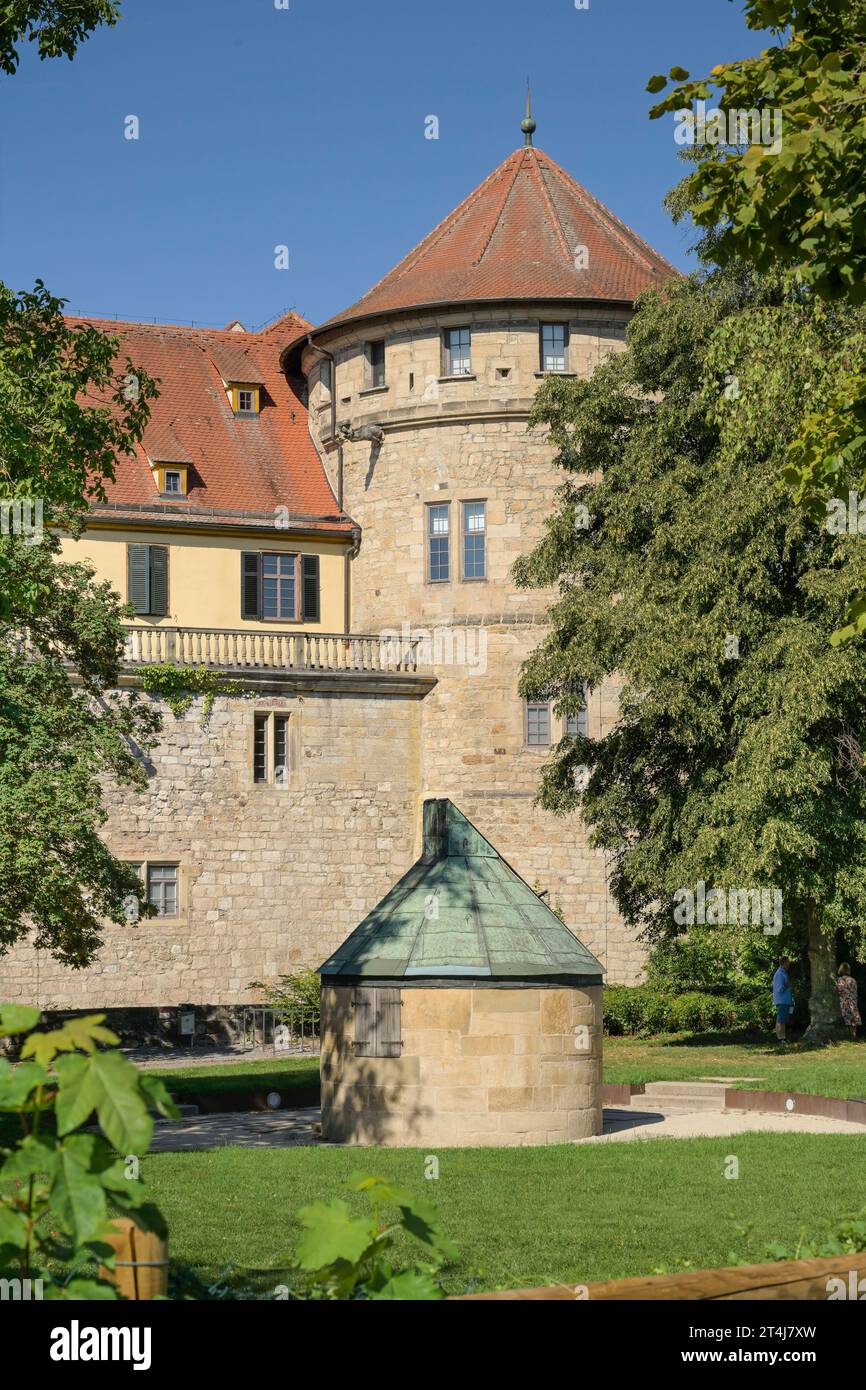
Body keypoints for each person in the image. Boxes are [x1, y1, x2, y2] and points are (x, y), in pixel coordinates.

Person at [836, 963, 861, 1040]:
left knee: (846, 1019)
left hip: (845, 1002)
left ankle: (849, 1037)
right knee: (853, 1020)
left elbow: (839, 991)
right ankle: (853, 1036)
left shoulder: (841, 980)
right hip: (853, 1001)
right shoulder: (853, 980)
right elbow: (855, 992)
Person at [772, 956, 793, 1043]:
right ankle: (780, 1038)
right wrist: (787, 985)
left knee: (783, 1020)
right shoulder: (779, 974)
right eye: (788, 962)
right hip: (781, 1000)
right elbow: (779, 989)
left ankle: (783, 1037)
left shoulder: (784, 972)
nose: (789, 964)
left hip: (786, 1000)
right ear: (783, 963)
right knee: (780, 1020)